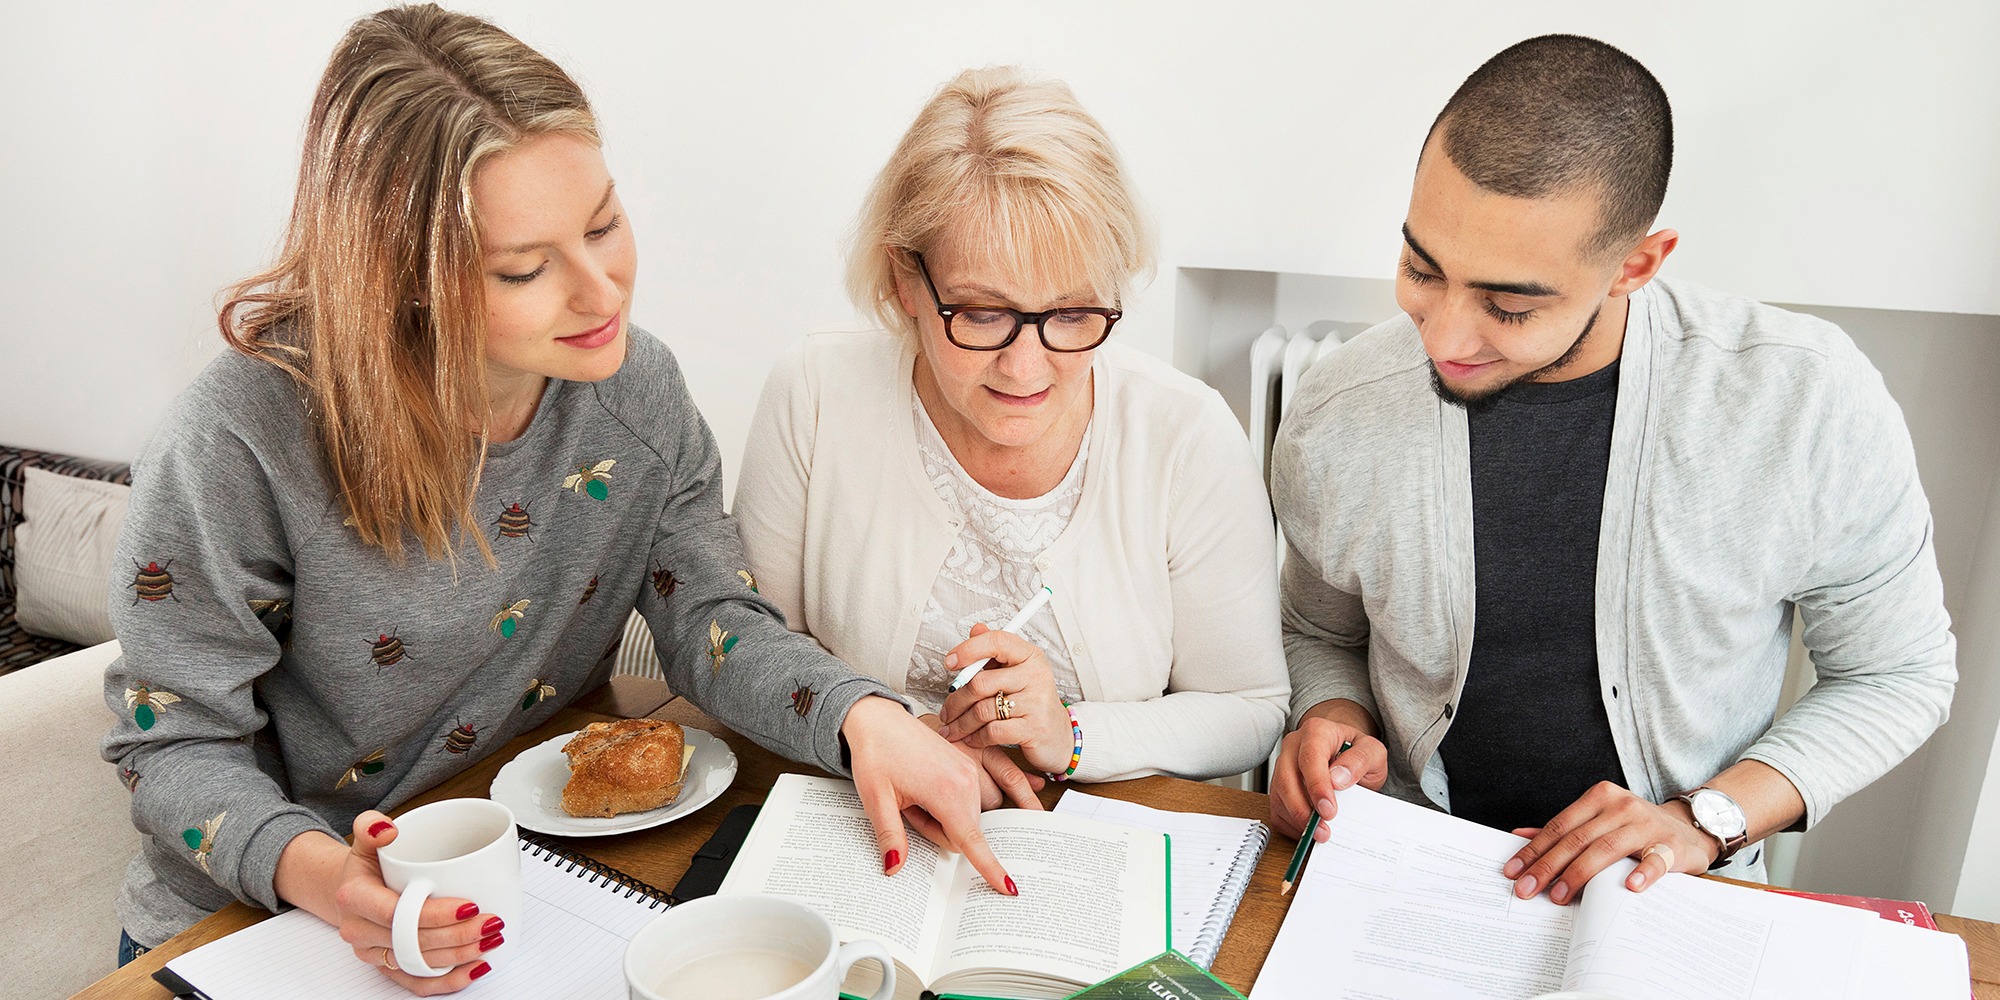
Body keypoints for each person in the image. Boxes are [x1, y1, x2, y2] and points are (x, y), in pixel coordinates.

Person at [101, 8, 1015, 993]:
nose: (601, 291)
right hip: (256, 926)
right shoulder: (241, 435)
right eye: (525, 268)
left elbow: (714, 621)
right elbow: (174, 739)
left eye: (603, 223)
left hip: (524, 891)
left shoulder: (636, 394)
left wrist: (863, 718)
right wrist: (330, 881)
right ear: (399, 282)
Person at [1267, 34, 1955, 904]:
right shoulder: (1340, 408)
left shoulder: (1805, 401)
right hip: (1412, 874)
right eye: (1420, 268)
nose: (1441, 339)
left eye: (1509, 306)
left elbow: (1898, 674)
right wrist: (1334, 721)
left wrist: (1706, 819)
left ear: (1636, 264)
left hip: (1671, 897)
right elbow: (1323, 633)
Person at [732, 66, 1288, 791]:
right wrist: (907, 734)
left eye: (1070, 314)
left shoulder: (1185, 435)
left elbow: (1248, 708)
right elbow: (750, 649)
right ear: (906, 279)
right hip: (859, 815)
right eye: (983, 315)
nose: (1026, 369)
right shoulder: (813, 393)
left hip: (1089, 851)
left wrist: (1071, 734)